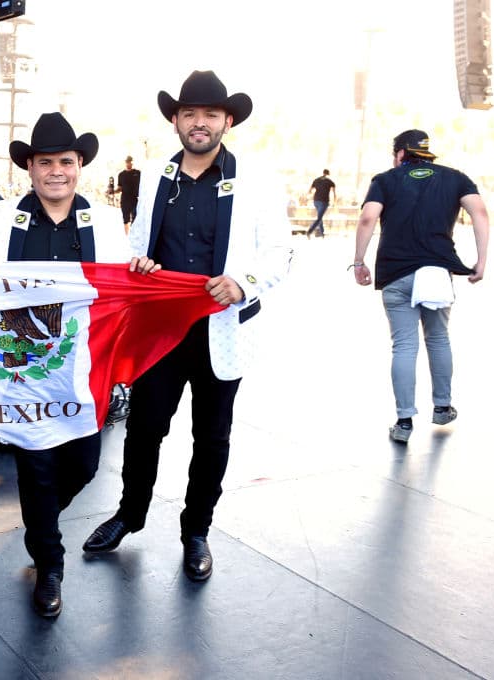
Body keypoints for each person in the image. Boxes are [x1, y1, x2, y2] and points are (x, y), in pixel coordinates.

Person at [82, 70, 292, 582]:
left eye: (210, 114)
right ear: (176, 120)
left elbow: (280, 251)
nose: (200, 123)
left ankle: (196, 531)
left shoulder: (257, 179)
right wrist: (141, 265)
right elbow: (138, 246)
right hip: (162, 329)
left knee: (212, 437)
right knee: (145, 429)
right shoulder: (156, 175)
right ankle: (129, 515)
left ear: (227, 121)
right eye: (190, 114)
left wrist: (243, 282)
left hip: (223, 329)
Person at [0, 112, 157, 618]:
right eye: (45, 162)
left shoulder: (102, 220)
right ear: (29, 169)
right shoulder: (5, 218)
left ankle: (40, 522)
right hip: (25, 369)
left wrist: (140, 272)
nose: (57, 171)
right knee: (36, 467)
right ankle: (49, 564)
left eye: (66, 162)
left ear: (80, 167)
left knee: (84, 464)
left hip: (84, 371)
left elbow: (122, 286)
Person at [351, 129, 488, 443]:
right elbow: (479, 211)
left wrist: (359, 261)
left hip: (396, 273)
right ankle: (442, 407)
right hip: (436, 272)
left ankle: (403, 423)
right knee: (438, 339)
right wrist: (481, 260)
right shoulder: (455, 178)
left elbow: (368, 218)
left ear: (400, 153)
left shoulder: (385, 180)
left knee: (404, 346)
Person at [306, 168, 336, 238]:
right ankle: (309, 231)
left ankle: (322, 233)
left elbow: (310, 190)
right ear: (328, 174)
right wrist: (334, 202)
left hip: (316, 201)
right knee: (319, 218)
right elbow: (334, 193)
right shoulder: (330, 181)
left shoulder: (316, 180)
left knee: (320, 216)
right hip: (324, 201)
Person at [116, 155, 142, 231]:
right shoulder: (121, 175)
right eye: (127, 162)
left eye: (130, 161)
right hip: (125, 200)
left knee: (136, 218)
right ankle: (127, 236)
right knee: (125, 219)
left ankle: (134, 234)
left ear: (133, 162)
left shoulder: (138, 173)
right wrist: (112, 191)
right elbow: (119, 188)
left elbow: (143, 186)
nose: (129, 163)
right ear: (125, 163)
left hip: (135, 199)